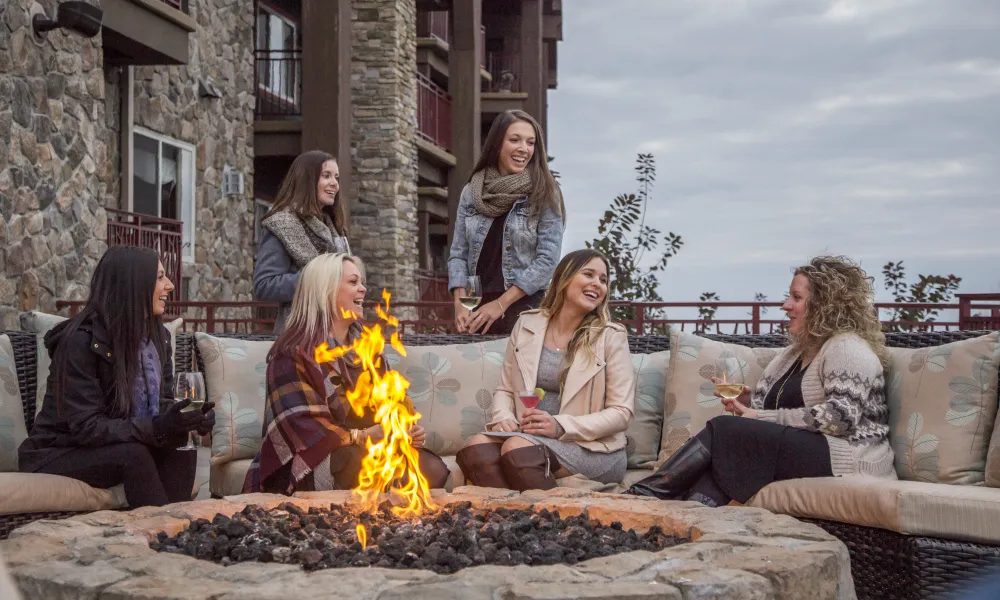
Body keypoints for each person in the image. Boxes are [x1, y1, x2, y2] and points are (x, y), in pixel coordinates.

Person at [625, 256, 895, 506]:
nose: (785, 305)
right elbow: (774, 412)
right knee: (726, 458)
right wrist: (748, 401)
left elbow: (840, 418)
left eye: (796, 297)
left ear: (826, 305)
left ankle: (643, 495)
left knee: (725, 430)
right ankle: (689, 518)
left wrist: (758, 416)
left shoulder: (846, 347)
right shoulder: (792, 355)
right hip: (812, 448)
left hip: (849, 455)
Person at [18, 246, 215, 508]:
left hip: (113, 443)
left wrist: (187, 418)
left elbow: (163, 403)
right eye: (159, 277)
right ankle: (159, 528)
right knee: (134, 456)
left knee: (180, 444)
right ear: (133, 284)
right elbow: (87, 427)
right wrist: (157, 427)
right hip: (59, 450)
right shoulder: (80, 342)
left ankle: (176, 527)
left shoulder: (157, 336)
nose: (169, 285)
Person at [243, 253, 450, 494]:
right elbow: (302, 427)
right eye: (353, 282)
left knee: (431, 467)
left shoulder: (367, 345)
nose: (363, 289)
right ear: (326, 291)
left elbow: (391, 404)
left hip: (366, 450)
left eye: (361, 282)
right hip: (311, 460)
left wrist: (404, 428)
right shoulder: (292, 353)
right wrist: (362, 436)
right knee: (396, 470)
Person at [455, 249, 635, 491]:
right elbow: (505, 389)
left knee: (517, 449)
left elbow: (622, 412)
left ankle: (545, 514)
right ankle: (512, 513)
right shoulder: (526, 324)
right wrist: (503, 417)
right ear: (564, 278)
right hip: (529, 438)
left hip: (592, 447)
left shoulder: (610, 337)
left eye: (603, 280)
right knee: (476, 447)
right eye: (589, 274)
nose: (597, 284)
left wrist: (560, 425)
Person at [448, 109, 565, 336]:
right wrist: (459, 303)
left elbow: (547, 260)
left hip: (525, 310)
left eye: (530, 142)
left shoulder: (545, 192)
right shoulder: (471, 192)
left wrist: (500, 305)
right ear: (497, 144)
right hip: (477, 311)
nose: (524, 148)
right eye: (515, 140)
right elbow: (459, 254)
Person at [254, 150, 351, 334]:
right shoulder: (283, 225)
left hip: (336, 330)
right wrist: (318, 278)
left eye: (336, 177)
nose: (335, 184)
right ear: (307, 180)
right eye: (326, 176)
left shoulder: (333, 228)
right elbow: (265, 286)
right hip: (299, 335)